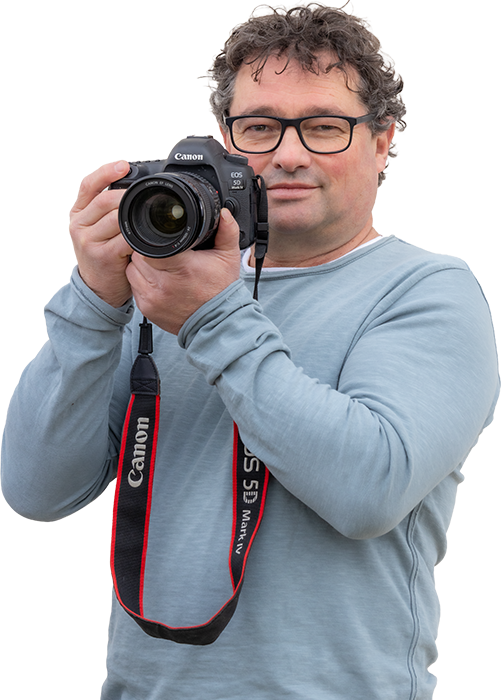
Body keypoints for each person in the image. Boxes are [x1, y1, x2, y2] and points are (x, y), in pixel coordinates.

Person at [2, 4, 499, 698]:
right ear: (227, 142)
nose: (288, 155)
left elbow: (369, 490)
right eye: (260, 127)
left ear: (383, 141)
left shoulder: (430, 293)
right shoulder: (162, 291)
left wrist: (212, 318)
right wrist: (92, 301)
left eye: (323, 127)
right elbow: (36, 491)